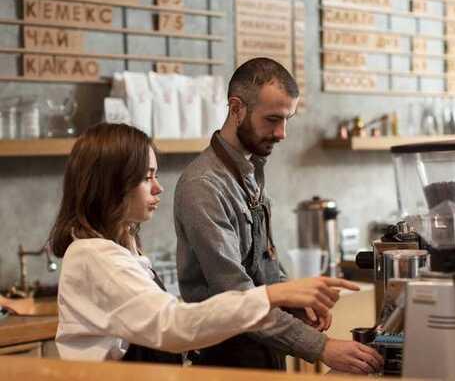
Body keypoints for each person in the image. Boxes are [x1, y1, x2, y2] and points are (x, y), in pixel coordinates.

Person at [49, 122, 359, 364]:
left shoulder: (120, 249)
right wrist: (272, 294)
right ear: (110, 185)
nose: (158, 188)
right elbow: (173, 325)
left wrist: (283, 303)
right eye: (147, 177)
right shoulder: (94, 258)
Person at [174, 58, 383, 374]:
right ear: (236, 108)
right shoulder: (203, 187)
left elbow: (264, 266)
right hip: (224, 362)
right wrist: (321, 347)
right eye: (272, 119)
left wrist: (296, 303)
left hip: (263, 351)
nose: (282, 133)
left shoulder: (251, 171)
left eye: (287, 119)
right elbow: (238, 300)